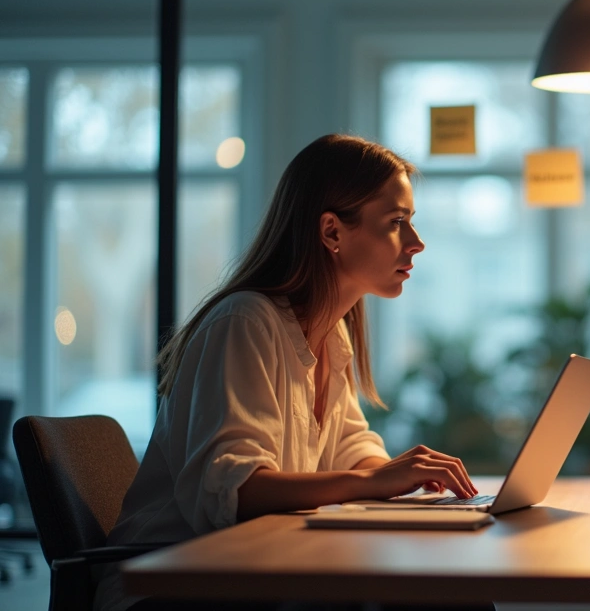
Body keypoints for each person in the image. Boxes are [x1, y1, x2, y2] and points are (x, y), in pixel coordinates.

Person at [95, 134, 479, 611]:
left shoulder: (330, 337)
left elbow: (352, 452)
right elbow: (234, 490)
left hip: (254, 577)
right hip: (170, 589)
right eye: (397, 223)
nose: (416, 244)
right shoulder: (244, 322)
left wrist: (407, 480)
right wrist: (371, 484)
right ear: (332, 233)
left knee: (447, 597)